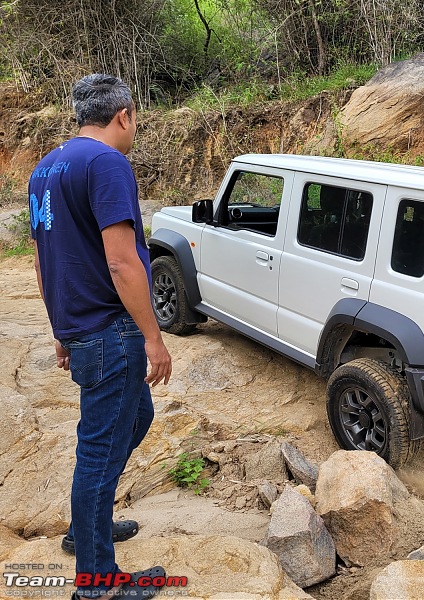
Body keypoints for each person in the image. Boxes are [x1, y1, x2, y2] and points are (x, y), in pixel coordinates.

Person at [29, 74, 172, 599]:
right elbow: (121, 260)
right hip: (111, 334)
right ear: (124, 115)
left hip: (83, 329)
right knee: (98, 449)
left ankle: (87, 526)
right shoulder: (109, 164)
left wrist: (61, 331)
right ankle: (97, 585)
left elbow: (45, 262)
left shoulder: (46, 168)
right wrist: (153, 337)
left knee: (135, 418)